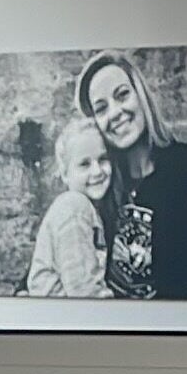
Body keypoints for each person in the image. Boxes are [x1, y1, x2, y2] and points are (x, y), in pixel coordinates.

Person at [77, 52, 187, 301]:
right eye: (101, 109)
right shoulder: (99, 185)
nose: (115, 112)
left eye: (122, 95)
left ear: (141, 96)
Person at [24, 116, 115, 298]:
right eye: (84, 164)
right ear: (65, 174)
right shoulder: (75, 208)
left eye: (103, 159)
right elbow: (83, 288)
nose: (97, 171)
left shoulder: (87, 207)